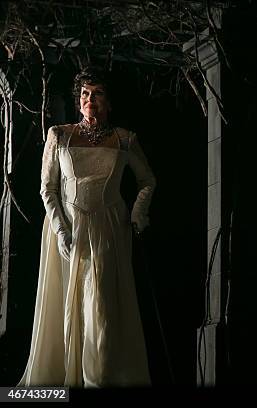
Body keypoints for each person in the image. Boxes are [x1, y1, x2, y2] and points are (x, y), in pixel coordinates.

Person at [18, 66, 156, 387]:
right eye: (84, 94)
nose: (89, 99)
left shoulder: (124, 139)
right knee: (69, 304)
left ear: (108, 102)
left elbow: (148, 180)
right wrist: (61, 229)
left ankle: (101, 378)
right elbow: (47, 188)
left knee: (102, 306)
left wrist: (138, 213)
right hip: (68, 229)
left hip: (109, 227)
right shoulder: (60, 135)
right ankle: (69, 379)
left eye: (97, 94)